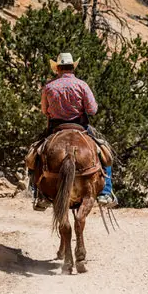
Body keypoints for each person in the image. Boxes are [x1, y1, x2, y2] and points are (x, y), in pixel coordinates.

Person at [33, 52, 116, 208]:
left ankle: (39, 194)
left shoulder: (49, 87)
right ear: (72, 67)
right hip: (81, 126)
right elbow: (92, 110)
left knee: (35, 154)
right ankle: (105, 192)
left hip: (56, 128)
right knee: (105, 153)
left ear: (57, 69)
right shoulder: (82, 85)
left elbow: (44, 111)